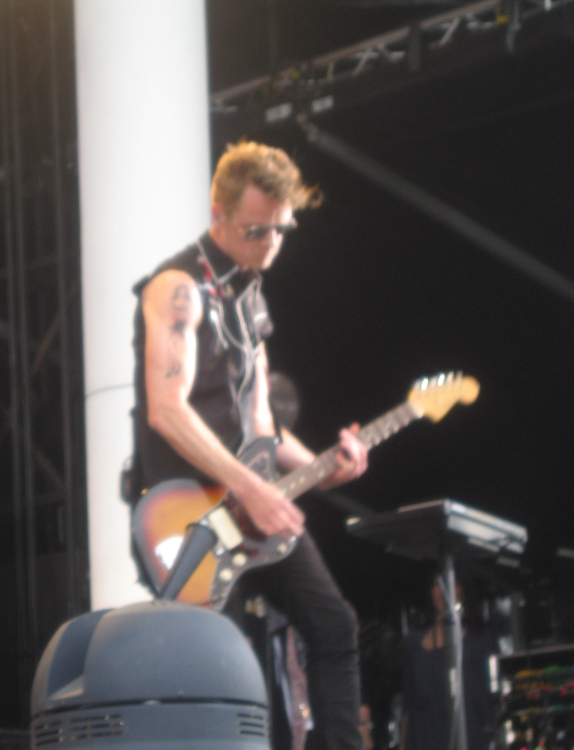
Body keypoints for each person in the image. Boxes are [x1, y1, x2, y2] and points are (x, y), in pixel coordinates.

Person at [130, 140, 370, 750]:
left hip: (249, 503)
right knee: (224, 668)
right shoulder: (178, 287)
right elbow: (166, 409)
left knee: (334, 627)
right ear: (218, 215)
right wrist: (252, 488)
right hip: (191, 517)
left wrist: (322, 465)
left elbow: (261, 423)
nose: (270, 244)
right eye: (256, 230)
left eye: (281, 231)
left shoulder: (249, 296)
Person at [400, 576, 495, 750]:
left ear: (463, 591)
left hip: (468, 739)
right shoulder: (413, 642)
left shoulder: (479, 640)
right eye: (437, 584)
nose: (442, 592)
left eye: (451, 583)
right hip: (424, 741)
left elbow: (489, 700)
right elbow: (408, 704)